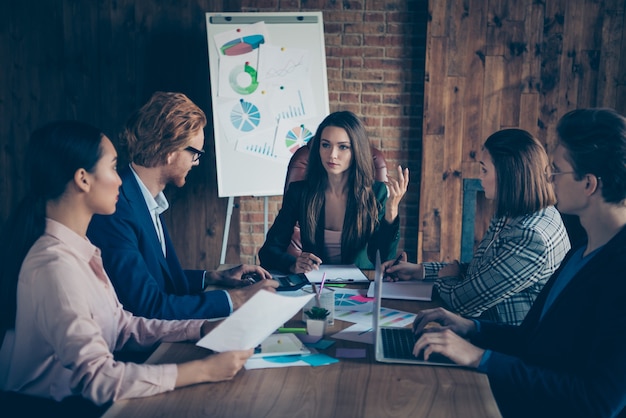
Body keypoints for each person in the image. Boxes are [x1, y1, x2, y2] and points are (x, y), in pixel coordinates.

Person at [0, 121, 261, 416]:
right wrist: (202, 370)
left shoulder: (79, 249)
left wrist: (201, 328)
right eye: (112, 167)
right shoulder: (54, 265)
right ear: (83, 179)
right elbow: (98, 379)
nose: (120, 180)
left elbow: (122, 326)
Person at [411, 108, 626, 418]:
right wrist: (472, 327)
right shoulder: (582, 247)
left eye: (557, 169)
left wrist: (479, 358)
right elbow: (532, 339)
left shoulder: (618, 271)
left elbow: (596, 402)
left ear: (589, 184)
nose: (549, 177)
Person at [87, 92, 277, 320]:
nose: (196, 163)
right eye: (195, 154)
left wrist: (214, 278)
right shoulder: (116, 209)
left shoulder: (144, 198)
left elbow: (157, 279)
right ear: (169, 152)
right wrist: (237, 299)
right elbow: (147, 305)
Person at [383, 129, 571, 325]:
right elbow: (477, 273)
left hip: (506, 344)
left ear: (509, 175)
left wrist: (443, 278)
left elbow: (464, 303)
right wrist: (417, 271)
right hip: (483, 327)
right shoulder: (509, 213)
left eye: (484, 170)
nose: (480, 177)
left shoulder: (531, 236)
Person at [258, 110, 409, 273]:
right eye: (326, 145)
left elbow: (383, 258)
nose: (332, 155)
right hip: (314, 285)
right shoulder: (300, 192)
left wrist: (391, 210)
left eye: (343, 147)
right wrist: (292, 264)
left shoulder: (376, 192)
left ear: (356, 151)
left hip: (361, 287)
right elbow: (268, 251)